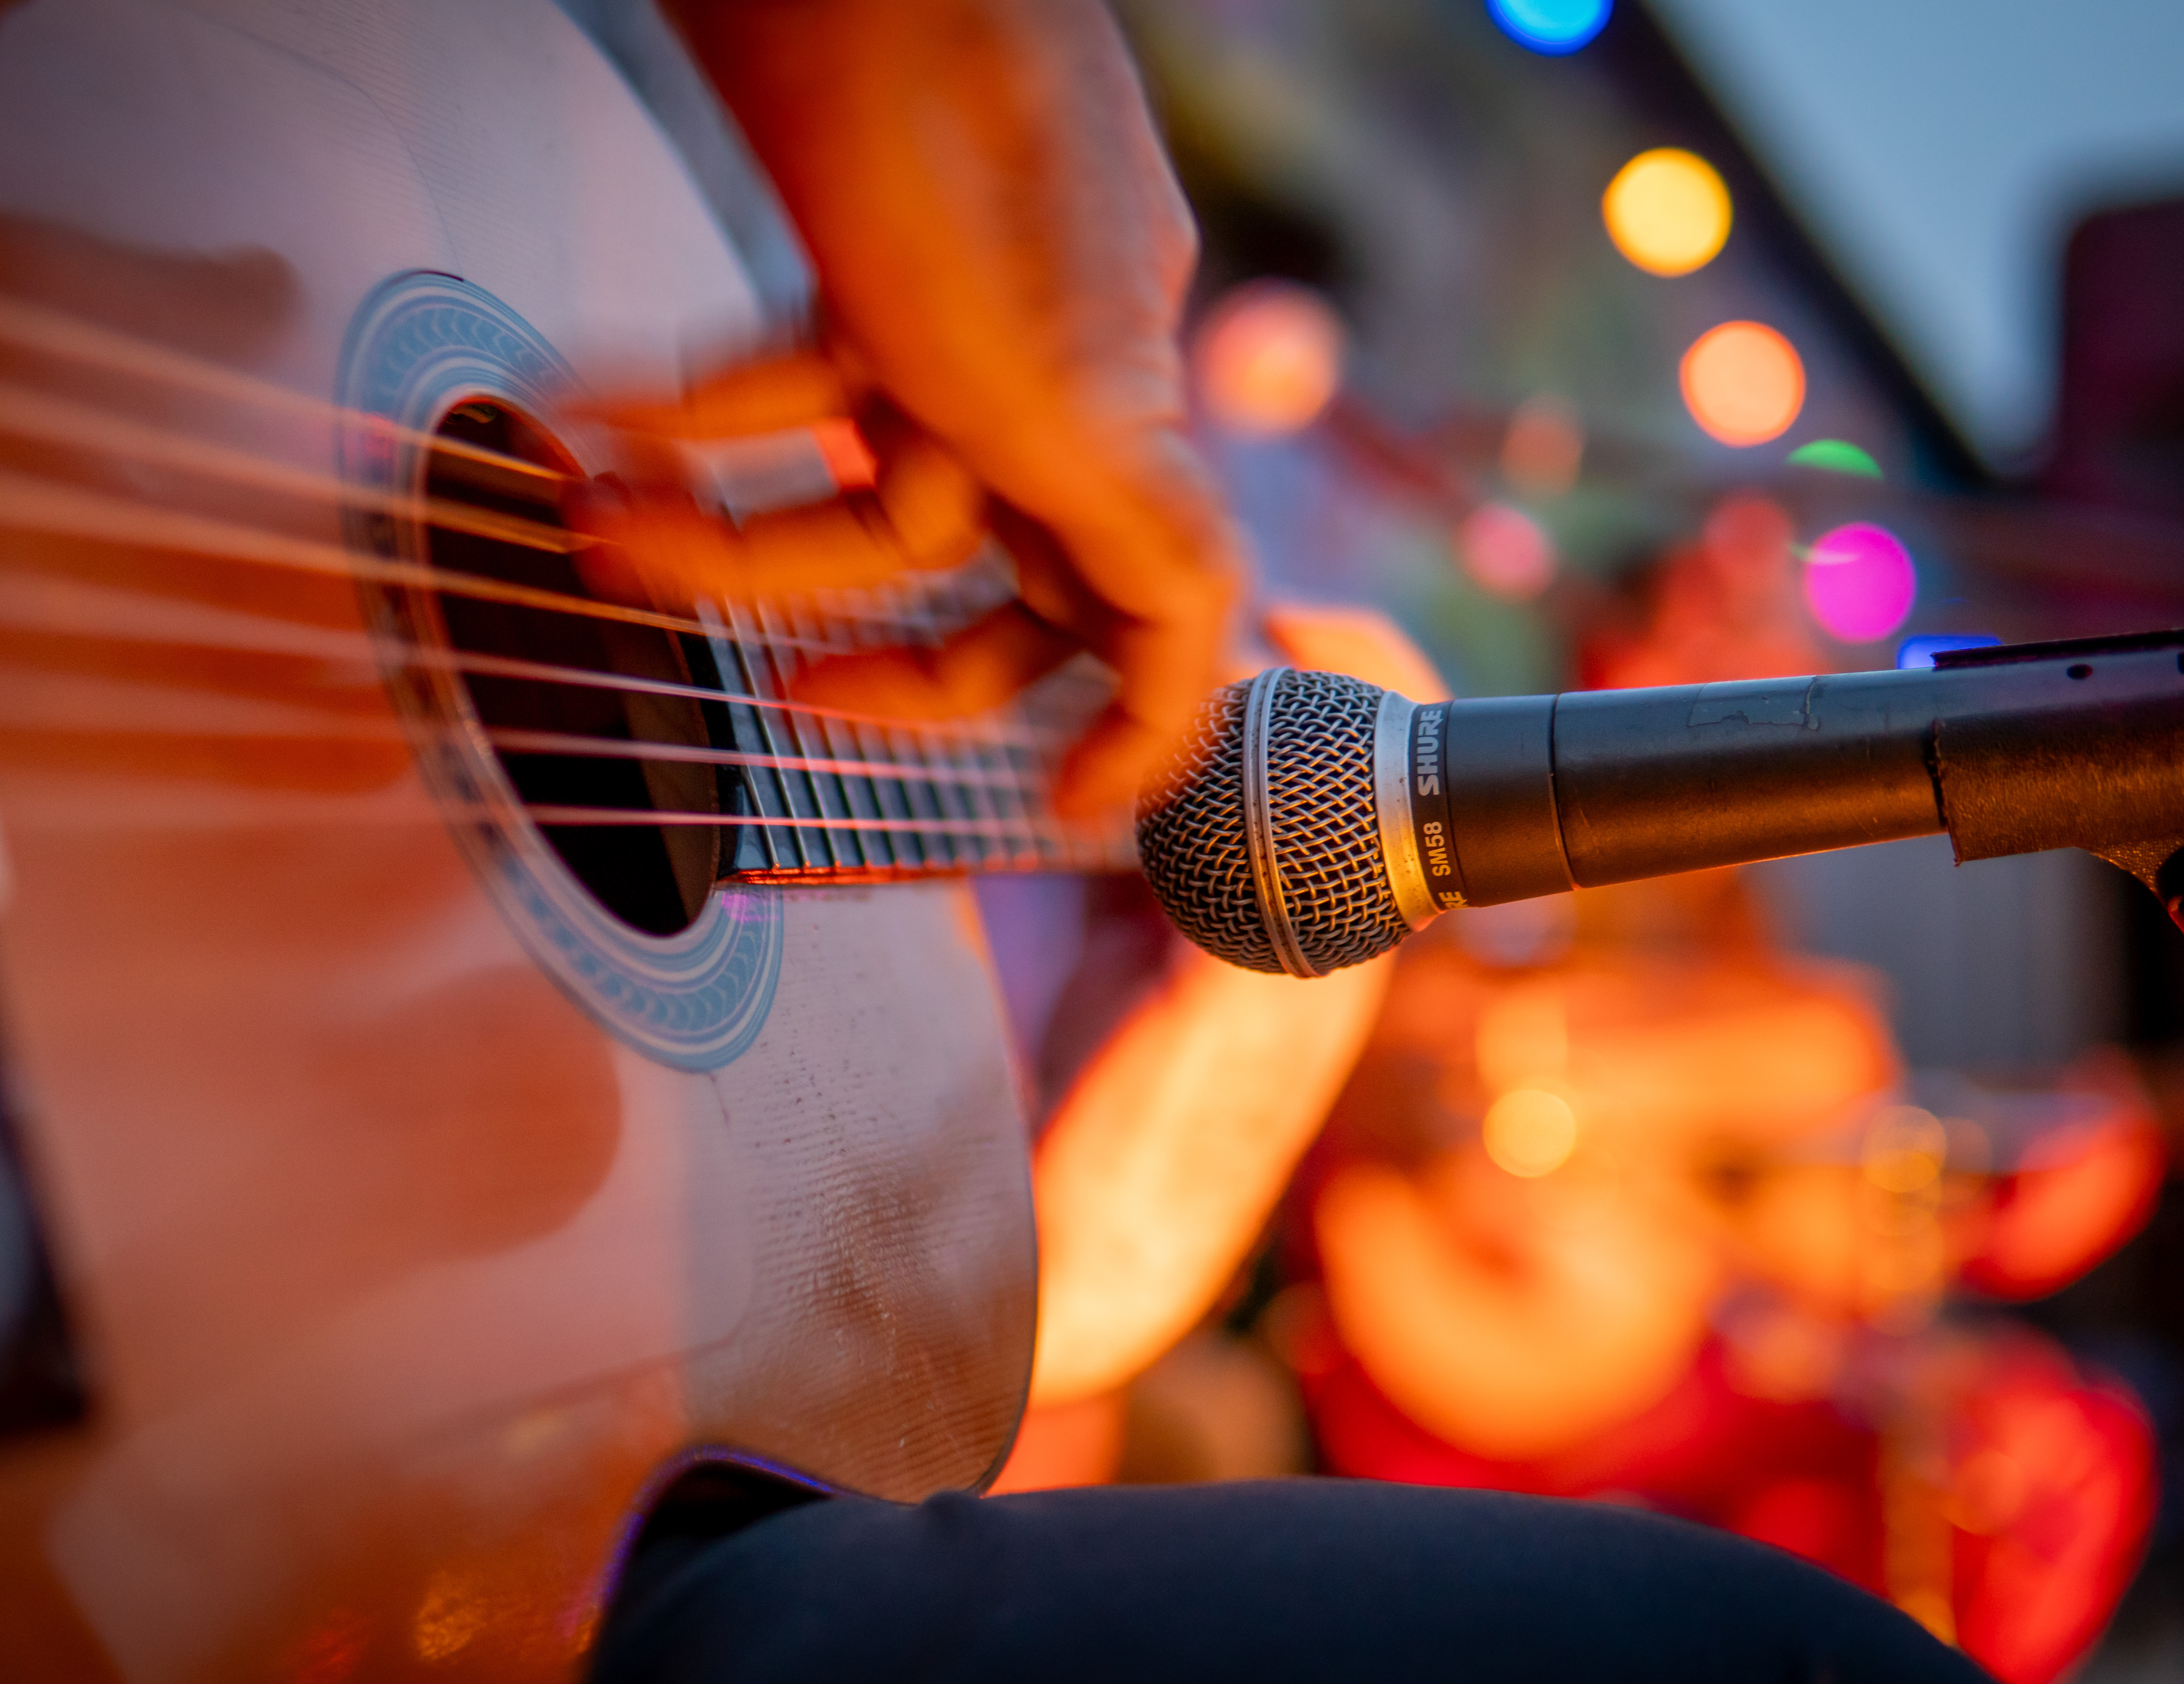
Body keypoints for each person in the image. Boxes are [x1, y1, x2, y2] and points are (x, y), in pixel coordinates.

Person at [572, 2, 1992, 1680]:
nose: (1729, 611)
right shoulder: (1331, 634)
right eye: (1721, 597)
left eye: (1768, 636)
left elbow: (954, 1476)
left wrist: (1123, 1225)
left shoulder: (1674, 1015)